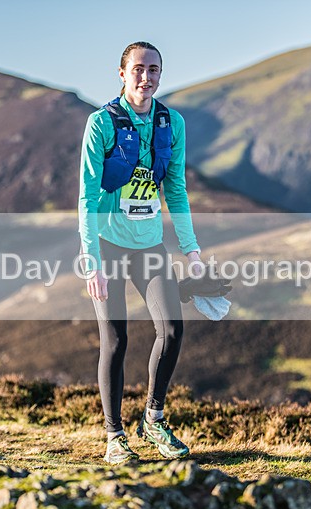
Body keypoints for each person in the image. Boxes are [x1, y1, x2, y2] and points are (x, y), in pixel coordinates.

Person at [78, 41, 203, 465]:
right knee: (116, 340)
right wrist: (91, 261)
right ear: (122, 73)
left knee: (172, 331)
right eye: (138, 69)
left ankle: (153, 419)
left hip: (149, 246)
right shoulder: (101, 124)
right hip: (108, 245)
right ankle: (114, 437)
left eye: (153, 69)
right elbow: (87, 198)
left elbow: (176, 191)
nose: (146, 77)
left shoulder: (172, 123)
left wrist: (191, 251)